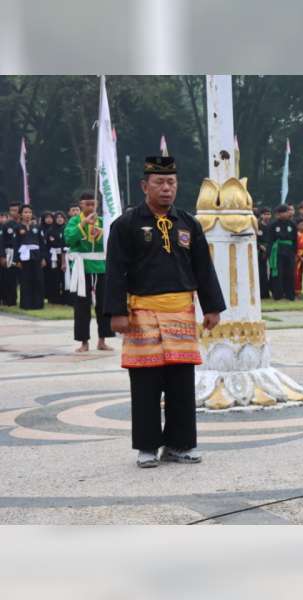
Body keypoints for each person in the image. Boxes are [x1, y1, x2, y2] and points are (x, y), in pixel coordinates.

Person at [104, 156, 225, 468]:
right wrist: (115, 312)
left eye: (171, 182)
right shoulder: (126, 225)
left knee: (181, 383)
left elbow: (203, 267)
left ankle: (179, 445)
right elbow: (115, 271)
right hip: (142, 314)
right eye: (159, 182)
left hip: (181, 314)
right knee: (145, 381)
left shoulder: (188, 223)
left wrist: (211, 306)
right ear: (145, 186)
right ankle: (146, 446)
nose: (166, 188)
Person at [64, 191, 114, 352]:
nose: (91, 207)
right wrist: (84, 223)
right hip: (81, 268)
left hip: (100, 267)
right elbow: (69, 239)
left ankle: (103, 340)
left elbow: (111, 241)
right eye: (88, 204)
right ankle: (83, 341)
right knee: (81, 306)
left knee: (104, 305)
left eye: (93, 204)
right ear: (81, 205)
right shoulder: (73, 221)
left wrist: (101, 233)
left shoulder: (102, 222)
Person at [14, 205, 46, 310]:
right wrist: (17, 259)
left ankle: (38, 304)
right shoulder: (17, 228)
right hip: (24, 257)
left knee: (38, 280)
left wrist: (43, 258)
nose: (28, 215)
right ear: (21, 215)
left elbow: (42, 243)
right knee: (25, 280)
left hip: (36, 256)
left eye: (29, 212)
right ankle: (26, 304)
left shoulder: (37, 227)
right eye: (25, 212)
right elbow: (16, 244)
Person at [266, 204, 297, 301]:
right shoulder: (273, 225)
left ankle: (290, 295)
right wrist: (269, 253)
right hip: (278, 251)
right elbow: (270, 240)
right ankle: (278, 295)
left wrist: (294, 252)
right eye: (283, 212)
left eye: (287, 211)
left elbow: (295, 240)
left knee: (290, 273)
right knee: (278, 273)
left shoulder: (292, 224)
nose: (286, 214)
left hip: (289, 251)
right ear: (278, 214)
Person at [1, 202, 22, 306]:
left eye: (16, 210)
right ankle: (10, 300)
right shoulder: (6, 226)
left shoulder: (23, 224)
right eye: (12, 210)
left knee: (23, 277)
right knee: (10, 277)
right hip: (10, 253)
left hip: (22, 254)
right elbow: (2, 241)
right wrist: (3, 256)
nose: (14, 213)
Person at [256, 208, 271, 299]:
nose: (267, 216)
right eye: (265, 214)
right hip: (261, 251)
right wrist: (259, 246)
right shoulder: (258, 225)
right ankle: (262, 293)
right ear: (261, 215)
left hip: (270, 250)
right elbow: (254, 238)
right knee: (262, 272)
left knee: (271, 272)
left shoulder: (271, 226)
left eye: (269, 214)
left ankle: (268, 292)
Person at [295, 219, 303, 297]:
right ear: (298, 225)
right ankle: (297, 292)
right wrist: (299, 256)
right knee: (297, 274)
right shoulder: (295, 234)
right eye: (302, 224)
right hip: (297, 255)